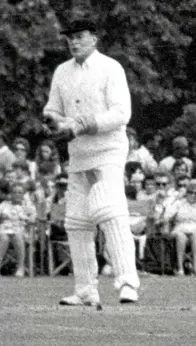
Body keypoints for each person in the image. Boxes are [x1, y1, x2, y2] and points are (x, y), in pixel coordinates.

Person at [43, 19, 139, 305]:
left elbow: (122, 113)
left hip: (108, 150)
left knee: (109, 212)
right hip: (78, 154)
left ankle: (127, 284)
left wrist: (84, 124)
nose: (74, 42)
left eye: (80, 37)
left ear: (93, 39)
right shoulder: (62, 71)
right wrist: (53, 122)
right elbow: (53, 109)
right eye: (70, 38)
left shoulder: (111, 68)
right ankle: (85, 289)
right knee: (76, 221)